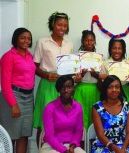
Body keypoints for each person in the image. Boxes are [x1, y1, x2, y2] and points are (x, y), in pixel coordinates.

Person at [33, 12, 75, 145]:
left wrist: (76, 76)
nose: (62, 28)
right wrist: (46, 75)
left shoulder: (69, 44)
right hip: (48, 85)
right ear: (53, 24)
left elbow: (70, 66)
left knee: (61, 121)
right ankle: (41, 149)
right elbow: (34, 66)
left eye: (65, 26)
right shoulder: (42, 42)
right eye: (59, 25)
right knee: (44, 122)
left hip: (65, 87)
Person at [0, 27, 35, 153]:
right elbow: (4, 84)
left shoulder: (29, 56)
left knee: (24, 134)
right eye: (23, 38)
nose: (26, 41)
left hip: (28, 97)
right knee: (10, 134)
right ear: (16, 39)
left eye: (29, 38)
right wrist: (13, 105)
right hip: (13, 97)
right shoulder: (8, 56)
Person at [41, 75, 85, 153]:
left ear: (73, 88)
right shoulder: (50, 107)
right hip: (51, 146)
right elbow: (49, 135)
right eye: (62, 88)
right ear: (58, 89)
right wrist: (64, 151)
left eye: (69, 87)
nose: (66, 90)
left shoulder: (78, 107)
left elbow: (79, 131)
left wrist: (72, 146)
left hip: (72, 145)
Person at [91, 75, 129, 153]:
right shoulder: (97, 107)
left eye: (117, 87)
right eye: (110, 87)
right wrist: (115, 149)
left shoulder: (127, 107)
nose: (114, 90)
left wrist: (123, 149)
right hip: (102, 145)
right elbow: (100, 135)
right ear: (105, 89)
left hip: (122, 145)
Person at [73, 30, 101, 129]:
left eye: (91, 40)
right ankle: (80, 142)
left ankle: (91, 142)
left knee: (94, 117)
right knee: (80, 117)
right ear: (82, 42)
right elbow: (73, 77)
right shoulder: (77, 58)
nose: (89, 43)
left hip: (95, 91)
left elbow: (102, 78)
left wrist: (95, 75)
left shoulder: (99, 58)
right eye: (86, 40)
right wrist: (81, 74)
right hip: (81, 90)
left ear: (94, 42)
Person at [101, 38, 129, 105]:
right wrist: (105, 78)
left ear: (123, 50)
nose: (117, 51)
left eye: (119, 48)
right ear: (110, 49)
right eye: (114, 48)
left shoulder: (128, 63)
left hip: (125, 91)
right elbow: (101, 85)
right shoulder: (105, 63)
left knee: (126, 112)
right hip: (110, 92)